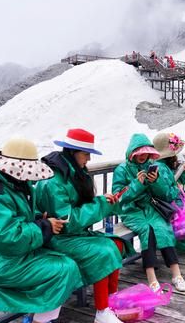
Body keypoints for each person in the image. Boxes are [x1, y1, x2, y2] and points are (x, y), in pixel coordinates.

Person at [0, 138, 83, 323]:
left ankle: (38, 317)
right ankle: (39, 320)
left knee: (68, 262)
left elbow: (16, 216)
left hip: (12, 256)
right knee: (64, 269)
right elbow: (7, 237)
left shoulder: (12, 183)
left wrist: (38, 218)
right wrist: (45, 226)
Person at [35, 129, 135, 323]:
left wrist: (101, 200)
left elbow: (78, 207)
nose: (88, 159)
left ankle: (109, 303)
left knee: (117, 245)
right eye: (85, 154)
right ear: (72, 152)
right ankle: (102, 311)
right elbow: (67, 221)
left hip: (73, 235)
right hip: (57, 238)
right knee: (103, 252)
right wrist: (101, 205)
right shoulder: (55, 180)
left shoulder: (72, 172)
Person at [112, 133, 185, 292]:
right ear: (132, 153)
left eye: (146, 152)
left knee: (162, 228)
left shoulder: (152, 166)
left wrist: (155, 182)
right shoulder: (122, 169)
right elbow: (119, 198)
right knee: (147, 230)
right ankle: (151, 278)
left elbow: (165, 195)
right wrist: (137, 184)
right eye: (139, 153)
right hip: (131, 211)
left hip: (151, 207)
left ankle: (177, 274)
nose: (143, 156)